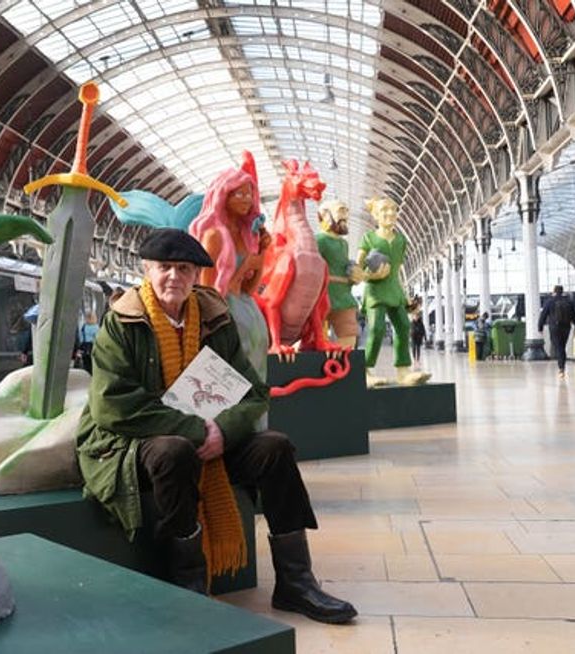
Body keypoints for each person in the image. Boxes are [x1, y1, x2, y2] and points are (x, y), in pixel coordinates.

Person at [76, 228, 356, 624]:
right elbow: (111, 406)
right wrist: (194, 431)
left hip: (209, 434)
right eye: (164, 268)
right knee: (174, 451)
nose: (173, 276)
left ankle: (296, 582)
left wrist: (222, 431)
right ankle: (189, 583)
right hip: (130, 443)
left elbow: (253, 392)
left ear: (195, 276)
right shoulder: (122, 322)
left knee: (275, 448)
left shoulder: (214, 318)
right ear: (147, 270)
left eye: (184, 268)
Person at [188, 151, 270, 429]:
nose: (247, 199)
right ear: (223, 196)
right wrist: (247, 262)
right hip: (226, 316)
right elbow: (208, 291)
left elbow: (249, 286)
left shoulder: (247, 235)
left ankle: (256, 432)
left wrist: (263, 254)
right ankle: (232, 433)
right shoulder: (213, 236)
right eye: (239, 193)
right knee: (232, 378)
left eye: (249, 193)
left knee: (255, 377)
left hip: (248, 311)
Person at [357, 198, 430, 386]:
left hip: (394, 290)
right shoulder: (368, 239)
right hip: (375, 291)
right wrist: (371, 276)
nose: (390, 214)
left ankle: (403, 371)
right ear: (375, 215)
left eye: (393, 210)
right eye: (384, 210)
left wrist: (407, 299)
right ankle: (364, 370)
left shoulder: (400, 240)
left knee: (404, 326)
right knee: (377, 329)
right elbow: (356, 271)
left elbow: (397, 272)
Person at [315, 200, 364, 348]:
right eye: (340, 211)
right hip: (323, 297)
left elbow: (343, 267)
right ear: (324, 215)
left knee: (349, 334)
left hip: (343, 296)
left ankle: (342, 366)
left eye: (346, 212)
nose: (345, 216)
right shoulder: (319, 240)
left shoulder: (344, 244)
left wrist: (354, 275)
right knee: (317, 336)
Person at [538, 285, 575, 378]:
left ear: (554, 291)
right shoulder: (569, 301)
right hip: (566, 327)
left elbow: (543, 315)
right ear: (562, 291)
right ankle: (561, 368)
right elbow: (574, 315)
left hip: (554, 328)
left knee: (559, 347)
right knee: (562, 347)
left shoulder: (550, 301)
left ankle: (561, 369)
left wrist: (540, 327)